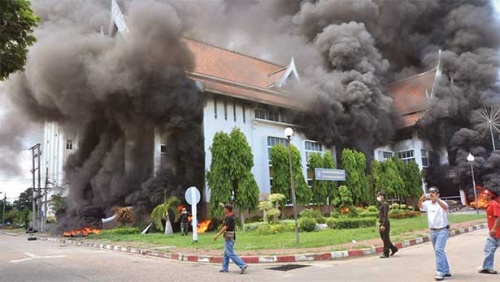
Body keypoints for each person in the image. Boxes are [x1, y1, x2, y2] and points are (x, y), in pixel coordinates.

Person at [418, 186, 451, 281]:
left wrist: (437, 200)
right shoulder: (428, 204)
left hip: (442, 230)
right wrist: (421, 199)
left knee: (438, 249)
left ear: (438, 194)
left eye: (434, 193)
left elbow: (445, 208)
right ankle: (446, 270)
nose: (431, 194)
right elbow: (420, 206)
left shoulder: (441, 202)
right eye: (430, 193)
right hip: (433, 231)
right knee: (439, 251)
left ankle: (440, 271)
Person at [213, 203, 248, 274]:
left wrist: (217, 235)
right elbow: (229, 208)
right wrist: (223, 205)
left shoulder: (228, 217)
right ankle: (225, 268)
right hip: (230, 236)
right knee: (226, 253)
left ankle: (242, 265)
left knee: (229, 253)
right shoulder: (231, 214)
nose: (223, 209)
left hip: (229, 237)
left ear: (227, 210)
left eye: (224, 208)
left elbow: (225, 227)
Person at [479, 188, 500, 275]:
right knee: (488, 250)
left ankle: (487, 267)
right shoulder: (490, 204)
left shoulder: (494, 204)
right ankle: (487, 267)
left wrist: (494, 229)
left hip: (498, 233)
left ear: (490, 196)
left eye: (485, 194)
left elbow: (498, 217)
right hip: (493, 234)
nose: (483, 196)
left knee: (489, 249)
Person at [377, 191, 398, 258]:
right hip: (382, 222)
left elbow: (385, 215)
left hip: (385, 223)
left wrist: (383, 225)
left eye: (381, 195)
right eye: (379, 195)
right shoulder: (382, 204)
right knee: (383, 237)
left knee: (385, 238)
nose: (380, 197)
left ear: (383, 197)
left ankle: (386, 253)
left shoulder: (385, 204)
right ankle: (393, 248)